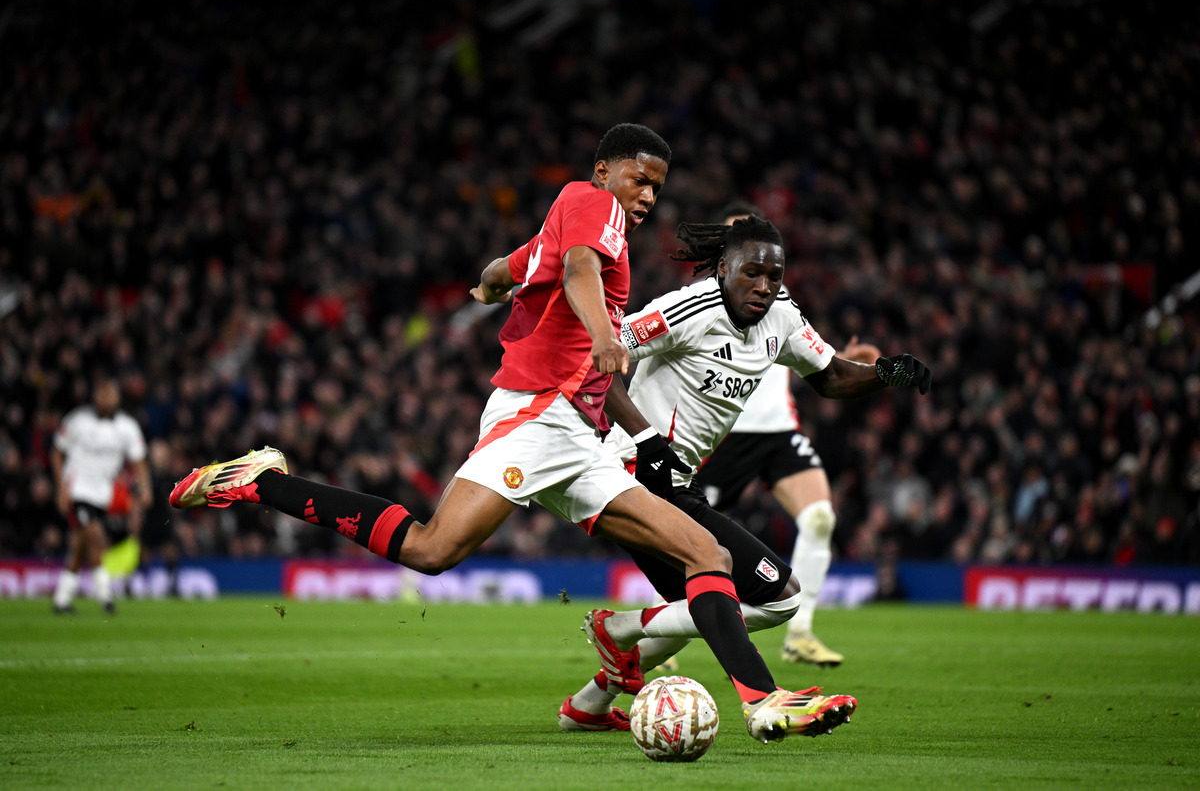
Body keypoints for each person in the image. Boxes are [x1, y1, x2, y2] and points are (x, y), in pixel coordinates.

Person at [169, 123, 858, 744]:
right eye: (638, 178)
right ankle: (263, 480)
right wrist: (598, 336)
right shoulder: (593, 207)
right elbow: (583, 268)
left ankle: (764, 701)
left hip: (578, 435)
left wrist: (494, 283)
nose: (646, 195)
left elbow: (513, 266)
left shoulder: (572, 224)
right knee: (433, 549)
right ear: (604, 171)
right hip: (535, 413)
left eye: (657, 186)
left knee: (704, 550)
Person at [557, 214, 932, 732]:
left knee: (717, 598)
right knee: (759, 590)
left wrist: (885, 373)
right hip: (630, 473)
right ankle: (761, 700)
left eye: (774, 276)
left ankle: (592, 697)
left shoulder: (782, 317)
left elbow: (831, 377)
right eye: (751, 273)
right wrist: (644, 438)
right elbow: (599, 355)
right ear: (723, 268)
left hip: (677, 480)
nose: (763, 286)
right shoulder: (687, 309)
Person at [693, 200, 879, 667]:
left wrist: (845, 360)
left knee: (820, 519)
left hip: (777, 431)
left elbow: (803, 362)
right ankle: (660, 631)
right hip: (723, 438)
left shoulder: (777, 302)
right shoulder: (700, 302)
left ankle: (800, 633)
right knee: (691, 546)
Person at [51, 377, 152, 614]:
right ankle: (106, 596)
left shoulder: (127, 427)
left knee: (80, 545)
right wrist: (60, 487)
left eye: (111, 394)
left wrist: (145, 488)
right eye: (102, 393)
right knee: (95, 536)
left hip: (102, 495)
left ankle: (61, 600)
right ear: (95, 396)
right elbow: (56, 453)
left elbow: (138, 464)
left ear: (117, 397)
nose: (106, 399)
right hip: (77, 491)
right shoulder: (77, 421)